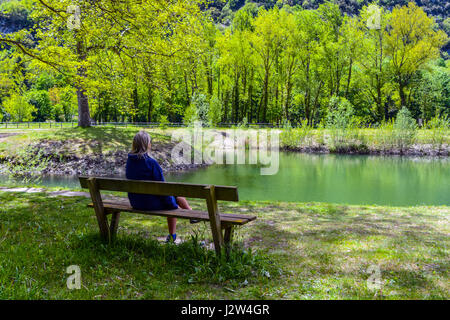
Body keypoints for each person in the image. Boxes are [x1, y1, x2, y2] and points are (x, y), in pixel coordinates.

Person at [125, 130, 192, 243]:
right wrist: (173, 205)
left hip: (136, 202)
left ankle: (190, 214)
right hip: (149, 203)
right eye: (150, 142)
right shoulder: (151, 163)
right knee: (172, 198)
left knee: (173, 193)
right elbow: (162, 188)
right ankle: (175, 233)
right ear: (147, 145)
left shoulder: (130, 161)